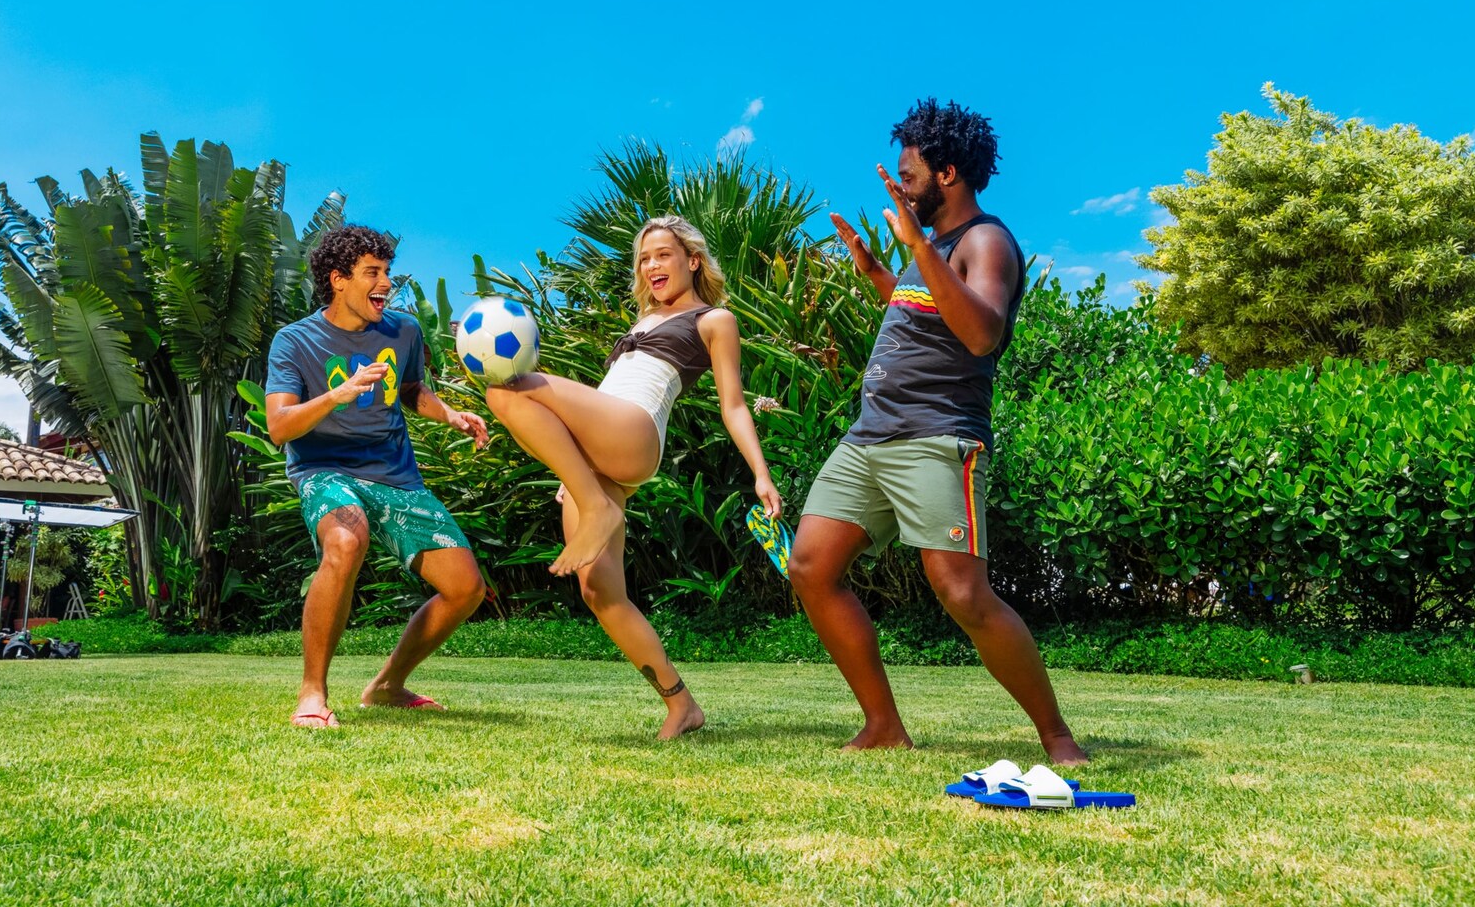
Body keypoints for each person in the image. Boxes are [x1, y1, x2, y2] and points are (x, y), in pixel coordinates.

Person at [793, 99, 1087, 764]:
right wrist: (877, 269)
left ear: (947, 172)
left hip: (936, 436)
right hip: (870, 436)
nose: (901, 187)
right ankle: (883, 723)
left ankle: (1057, 735)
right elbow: (927, 316)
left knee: (962, 592)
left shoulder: (984, 241)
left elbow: (981, 333)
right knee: (811, 567)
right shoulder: (929, 253)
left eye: (910, 174)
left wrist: (916, 248)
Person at [484, 216, 781, 739]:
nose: (652, 266)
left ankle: (598, 508)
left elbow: (733, 406)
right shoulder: (641, 320)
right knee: (600, 591)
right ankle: (681, 705)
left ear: (691, 260)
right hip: (600, 456)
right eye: (645, 258)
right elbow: (604, 388)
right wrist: (572, 470)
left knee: (506, 386)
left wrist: (761, 473)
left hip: (636, 434)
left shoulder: (715, 320)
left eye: (663, 254)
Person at [265, 224, 491, 729]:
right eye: (373, 273)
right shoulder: (294, 341)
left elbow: (411, 389)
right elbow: (279, 427)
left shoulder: (403, 330)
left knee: (466, 588)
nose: (385, 283)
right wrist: (334, 396)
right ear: (338, 279)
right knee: (346, 541)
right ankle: (311, 693)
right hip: (325, 470)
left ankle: (387, 685)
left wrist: (450, 414)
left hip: (394, 475)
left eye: (387, 272)